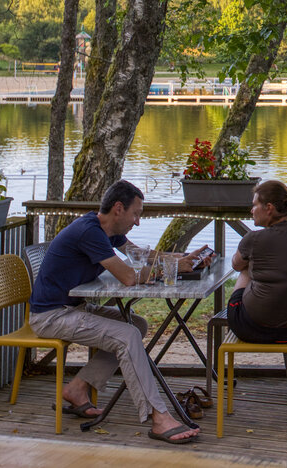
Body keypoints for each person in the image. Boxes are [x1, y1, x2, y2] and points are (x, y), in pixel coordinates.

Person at [30, 179, 211, 445]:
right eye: (135, 214)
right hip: (51, 316)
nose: (137, 221)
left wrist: (185, 258)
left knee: (136, 325)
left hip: (72, 307)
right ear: (118, 208)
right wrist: (173, 270)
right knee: (126, 336)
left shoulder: (107, 230)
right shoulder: (88, 231)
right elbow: (128, 276)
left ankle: (78, 389)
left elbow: (142, 256)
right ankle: (158, 417)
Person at [227, 179, 287, 342]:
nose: (251, 211)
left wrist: (251, 258)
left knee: (245, 268)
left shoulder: (254, 239)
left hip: (253, 328)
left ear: (269, 208)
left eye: (254, 205)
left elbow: (236, 264)